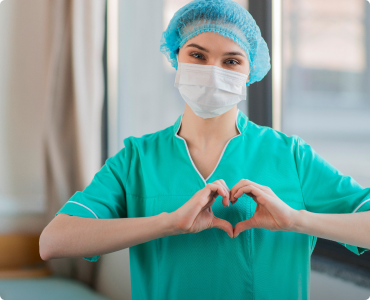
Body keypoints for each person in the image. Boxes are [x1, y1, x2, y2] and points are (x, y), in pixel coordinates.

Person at [39, 0, 370, 299]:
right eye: (198, 55)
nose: (213, 71)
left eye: (231, 61)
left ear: (250, 71)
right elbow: (53, 241)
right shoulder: (136, 160)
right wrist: (168, 223)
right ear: (176, 56)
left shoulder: (291, 157)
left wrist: (298, 220)